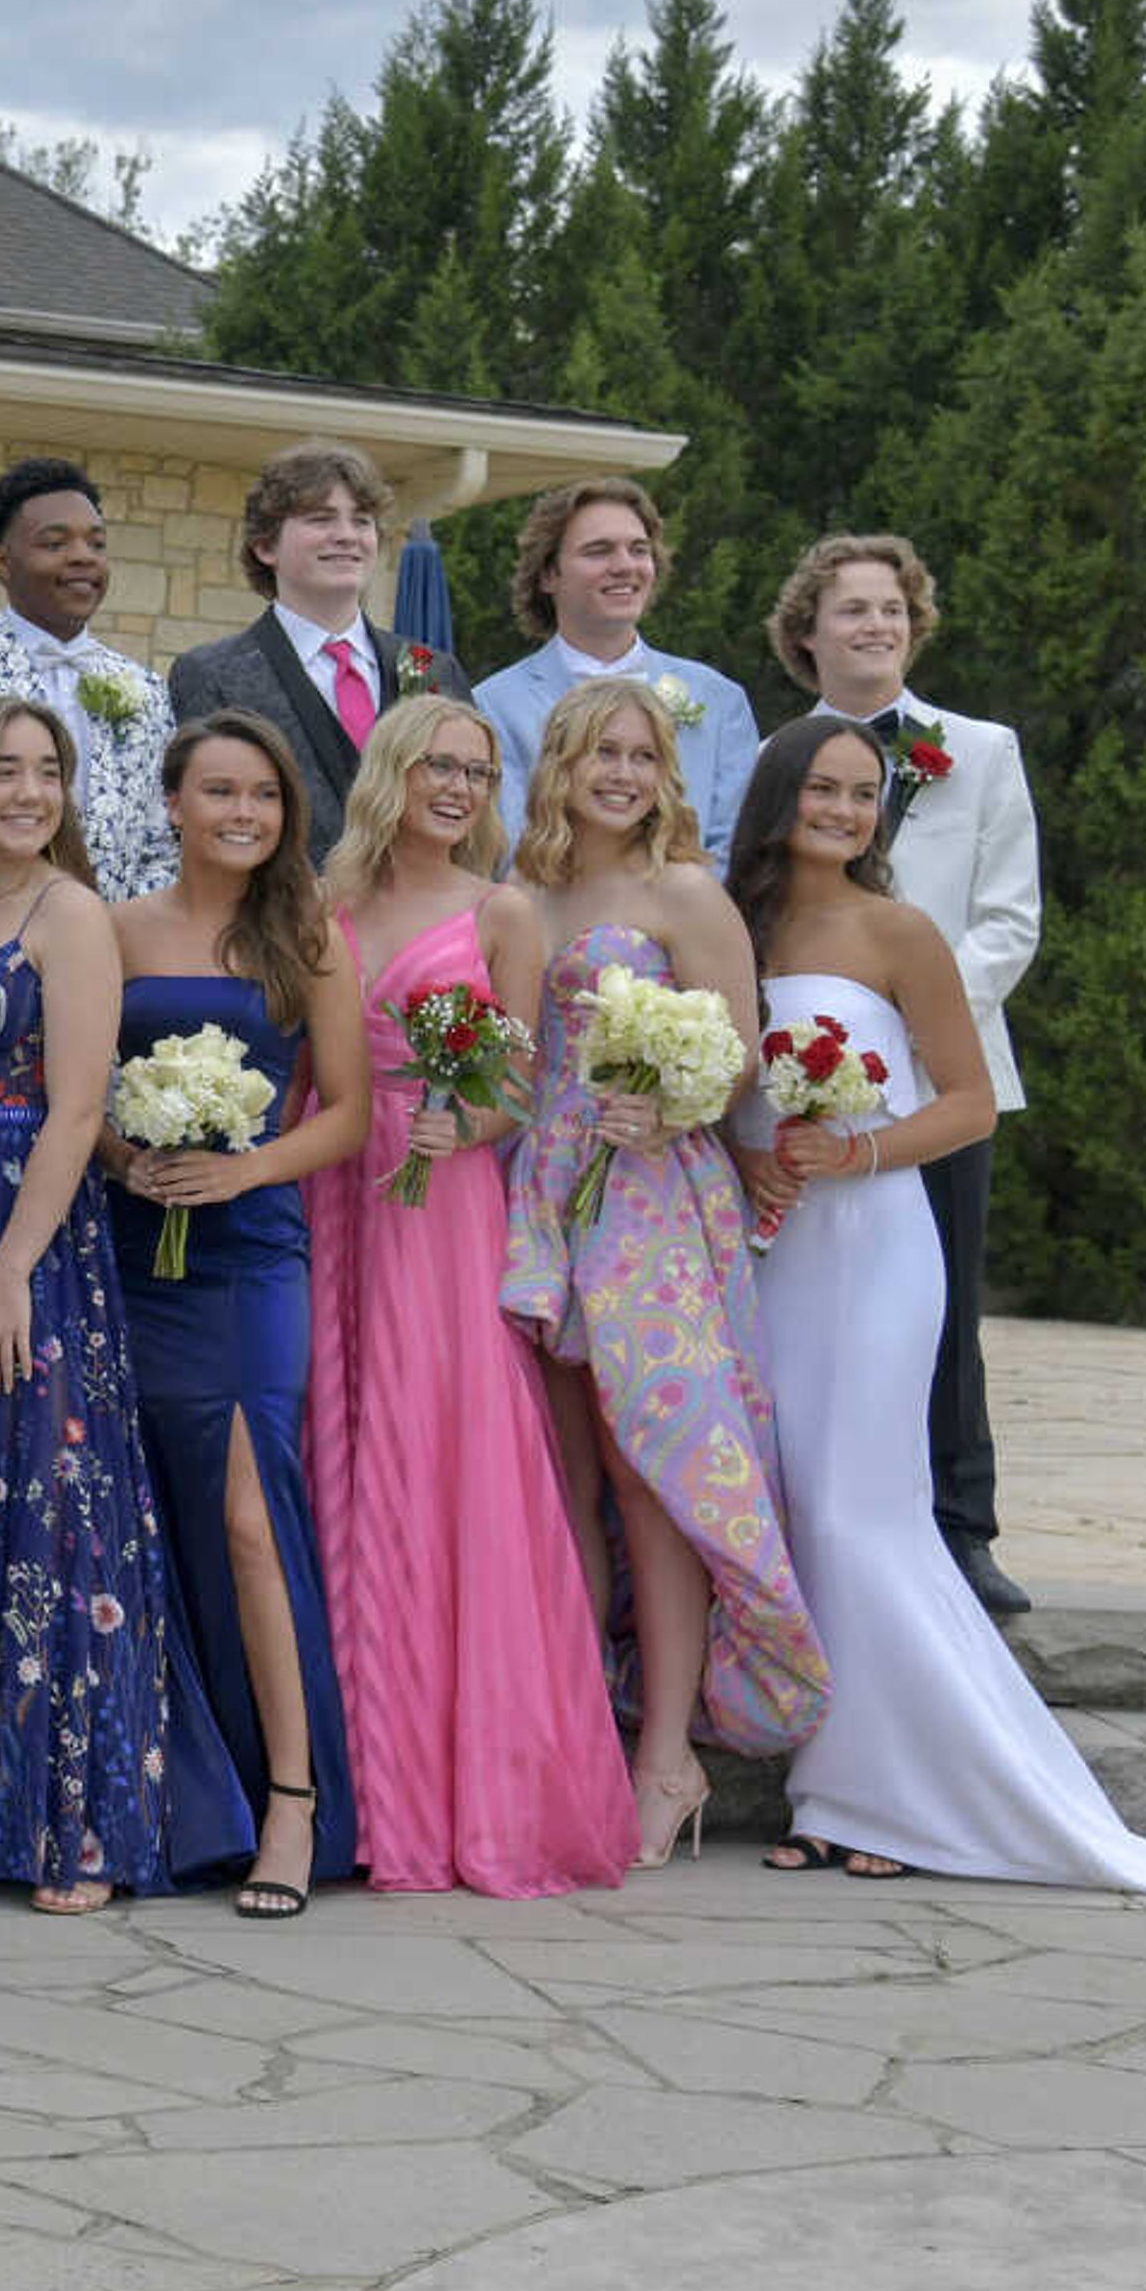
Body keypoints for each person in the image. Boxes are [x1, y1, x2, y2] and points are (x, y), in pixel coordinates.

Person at [726, 717, 1146, 1892]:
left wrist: (854, 1155)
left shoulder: (899, 929)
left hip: (870, 1248)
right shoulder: (735, 926)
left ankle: (905, 1795)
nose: (845, 811)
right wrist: (749, 1150)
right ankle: (831, 1782)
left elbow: (966, 1103)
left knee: (865, 1513)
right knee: (799, 1512)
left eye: (864, 794)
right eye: (823, 787)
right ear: (778, 793)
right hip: (764, 1252)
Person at [0, 699, 251, 1912]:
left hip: (29, 1231)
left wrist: (13, 1270)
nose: (28, 793)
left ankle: (69, 1819)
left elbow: (79, 1108)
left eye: (48, 773)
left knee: (43, 1498)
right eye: (4, 772)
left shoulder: (69, 914)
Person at [304, 699, 638, 1898]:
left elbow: (521, 1089)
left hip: (440, 1207)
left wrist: (464, 1120)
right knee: (333, 1453)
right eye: (438, 764)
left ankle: (450, 1798)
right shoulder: (322, 904)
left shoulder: (500, 912)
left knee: (438, 1464)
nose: (456, 785)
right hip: (328, 1187)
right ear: (392, 770)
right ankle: (350, 1790)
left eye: (476, 770)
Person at [500, 678, 828, 1868]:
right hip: (537, 1196)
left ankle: (669, 1755)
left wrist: (669, 1097)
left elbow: (740, 1062)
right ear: (563, 763)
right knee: (564, 1476)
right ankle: (580, 1727)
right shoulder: (523, 891)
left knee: (656, 1473)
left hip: (651, 1202)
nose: (625, 772)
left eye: (643, 754)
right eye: (603, 751)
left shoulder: (683, 891)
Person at [95, 713, 368, 1917]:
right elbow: (72, 1087)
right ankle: (181, 1797)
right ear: (173, 802)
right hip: (137, 1252)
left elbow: (349, 1112)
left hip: (252, 1254)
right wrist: (122, 1155)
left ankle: (294, 1805)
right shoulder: (114, 928)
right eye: (219, 791)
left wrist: (244, 1169)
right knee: (152, 1514)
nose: (243, 812)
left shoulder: (306, 934)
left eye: (263, 793)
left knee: (255, 1514)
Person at [767, 534, 1040, 1616]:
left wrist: (913, 1031)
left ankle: (959, 1525)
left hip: (946, 1078)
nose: (873, 626)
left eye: (890, 609)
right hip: (801, 1082)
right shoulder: (779, 753)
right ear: (807, 632)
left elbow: (1009, 919)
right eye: (850, 610)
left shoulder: (980, 749)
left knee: (943, 1305)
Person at [0, 458, 175, 898]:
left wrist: (119, 932)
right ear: (3, 561)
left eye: (97, 544)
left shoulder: (146, 689)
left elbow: (163, 842)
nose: (83, 557)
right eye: (54, 544)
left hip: (123, 945)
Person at [474, 477, 760, 850]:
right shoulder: (493, 706)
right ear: (548, 574)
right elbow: (506, 845)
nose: (625, 566)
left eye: (639, 550)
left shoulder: (720, 700)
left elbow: (737, 845)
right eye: (599, 551)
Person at [165, 441, 416, 862]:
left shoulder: (428, 666)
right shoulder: (211, 675)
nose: (347, 535)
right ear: (265, 547)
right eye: (321, 519)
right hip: (277, 917)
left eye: (362, 521)